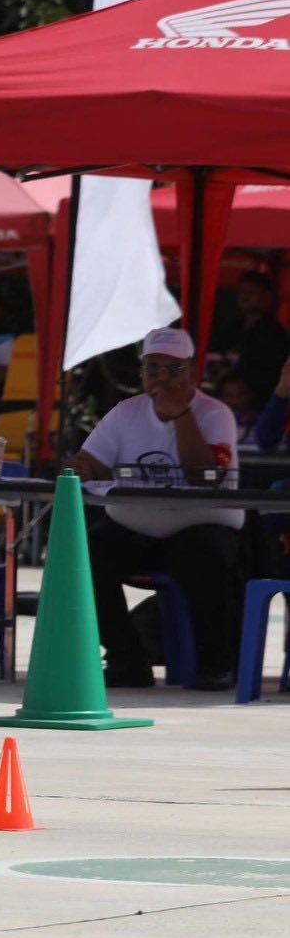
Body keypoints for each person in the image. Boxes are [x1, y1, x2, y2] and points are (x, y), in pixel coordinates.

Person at [67, 327, 244, 691]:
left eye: (173, 370)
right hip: (135, 525)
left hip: (200, 524)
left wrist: (181, 415)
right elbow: (93, 462)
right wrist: (85, 467)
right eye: (153, 369)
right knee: (86, 554)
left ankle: (217, 662)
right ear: (142, 371)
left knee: (202, 557)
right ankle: (127, 659)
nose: (162, 379)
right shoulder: (125, 412)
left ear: (191, 371)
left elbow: (205, 478)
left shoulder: (215, 414)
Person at [210, 271, 288, 411]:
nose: (245, 296)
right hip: (224, 401)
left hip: (258, 405)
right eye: (242, 291)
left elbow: (273, 374)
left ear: (267, 296)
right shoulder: (232, 328)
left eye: (252, 292)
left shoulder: (276, 335)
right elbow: (217, 355)